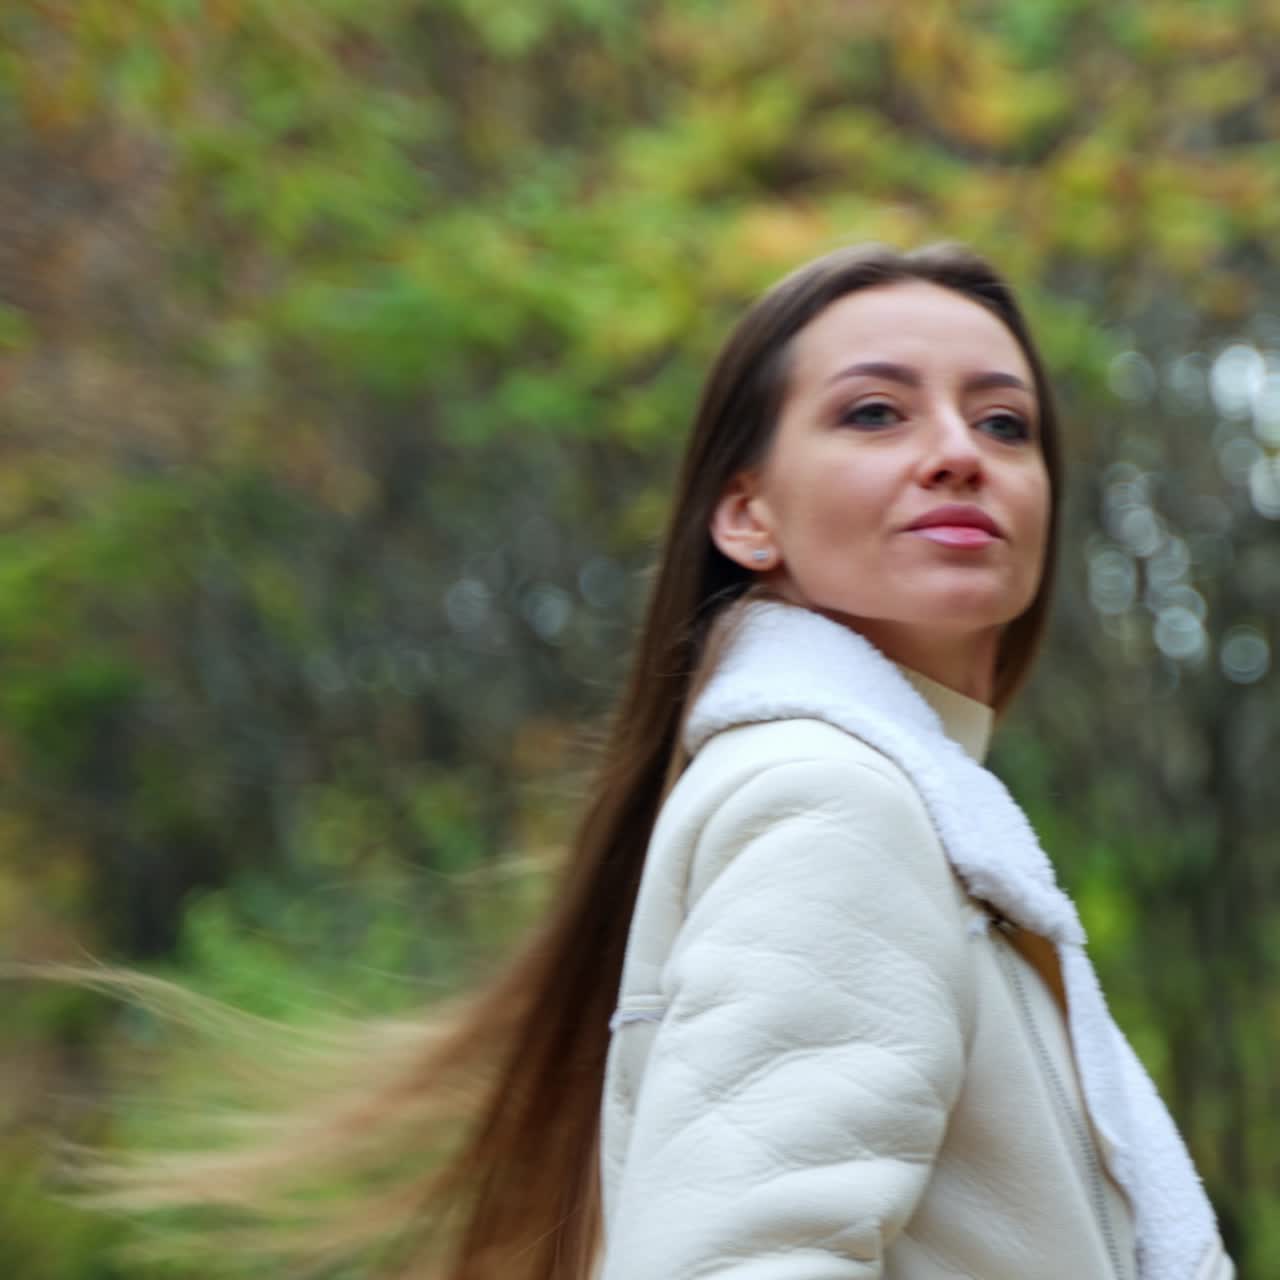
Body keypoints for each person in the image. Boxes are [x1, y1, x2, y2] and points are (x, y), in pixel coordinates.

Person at [80, 244, 1232, 1280]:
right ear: (746, 516)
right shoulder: (835, 801)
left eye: (1002, 424)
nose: (954, 453)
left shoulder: (902, 813)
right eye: (875, 412)